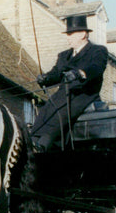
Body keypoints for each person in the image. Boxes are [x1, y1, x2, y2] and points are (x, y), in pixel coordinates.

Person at [30, 14, 108, 152]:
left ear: (83, 34)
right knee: (45, 110)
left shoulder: (97, 51)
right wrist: (45, 78)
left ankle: (44, 143)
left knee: (61, 111)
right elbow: (56, 73)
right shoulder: (64, 55)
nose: (68, 37)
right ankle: (33, 140)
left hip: (84, 95)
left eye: (71, 34)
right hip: (64, 94)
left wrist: (80, 73)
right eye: (67, 34)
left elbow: (96, 68)